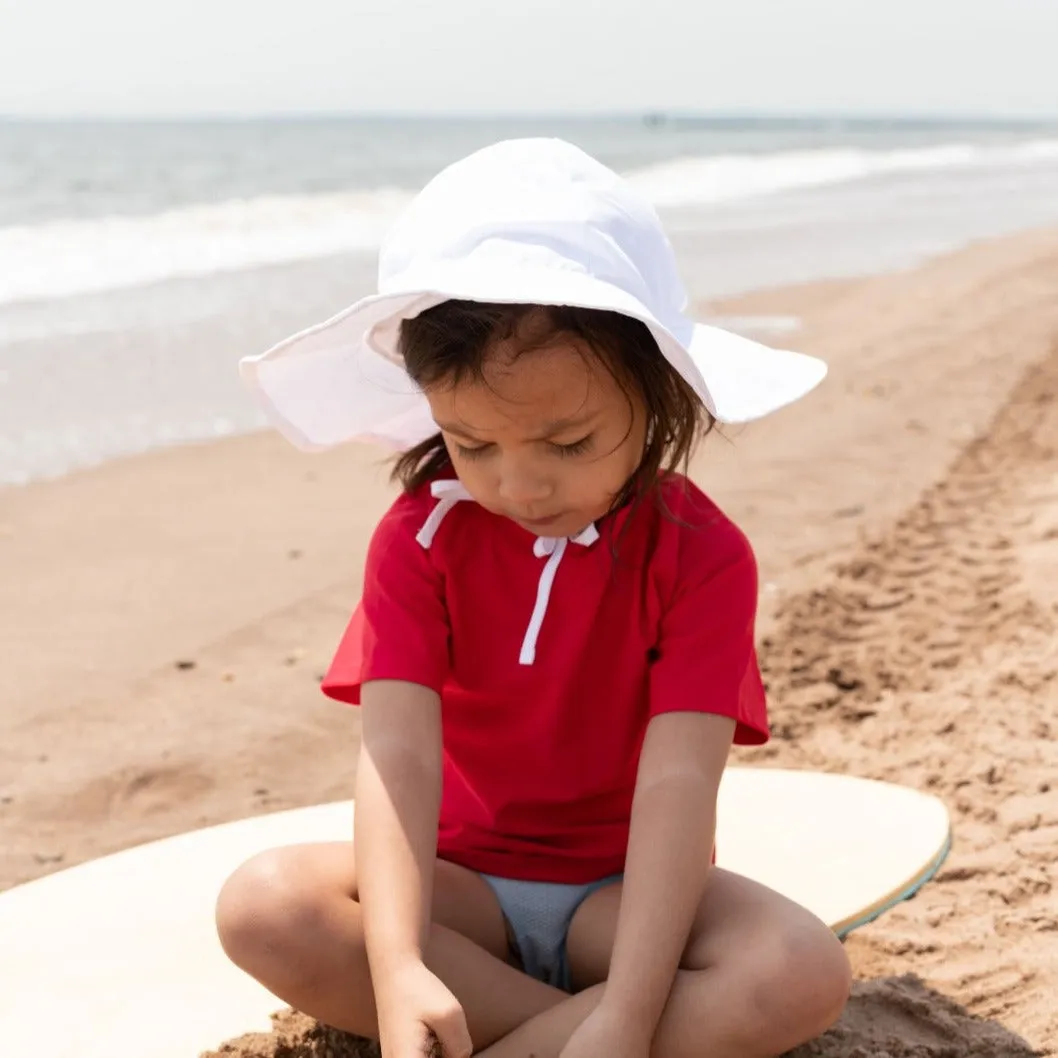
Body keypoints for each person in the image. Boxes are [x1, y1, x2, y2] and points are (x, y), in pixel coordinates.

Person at [216, 138, 851, 1058]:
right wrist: (398, 965)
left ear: (659, 387)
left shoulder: (701, 555)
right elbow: (397, 755)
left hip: (622, 902)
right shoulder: (420, 539)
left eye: (568, 442)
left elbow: (679, 784)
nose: (521, 486)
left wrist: (631, 1013)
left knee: (800, 972)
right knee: (265, 905)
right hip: (460, 895)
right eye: (473, 445)